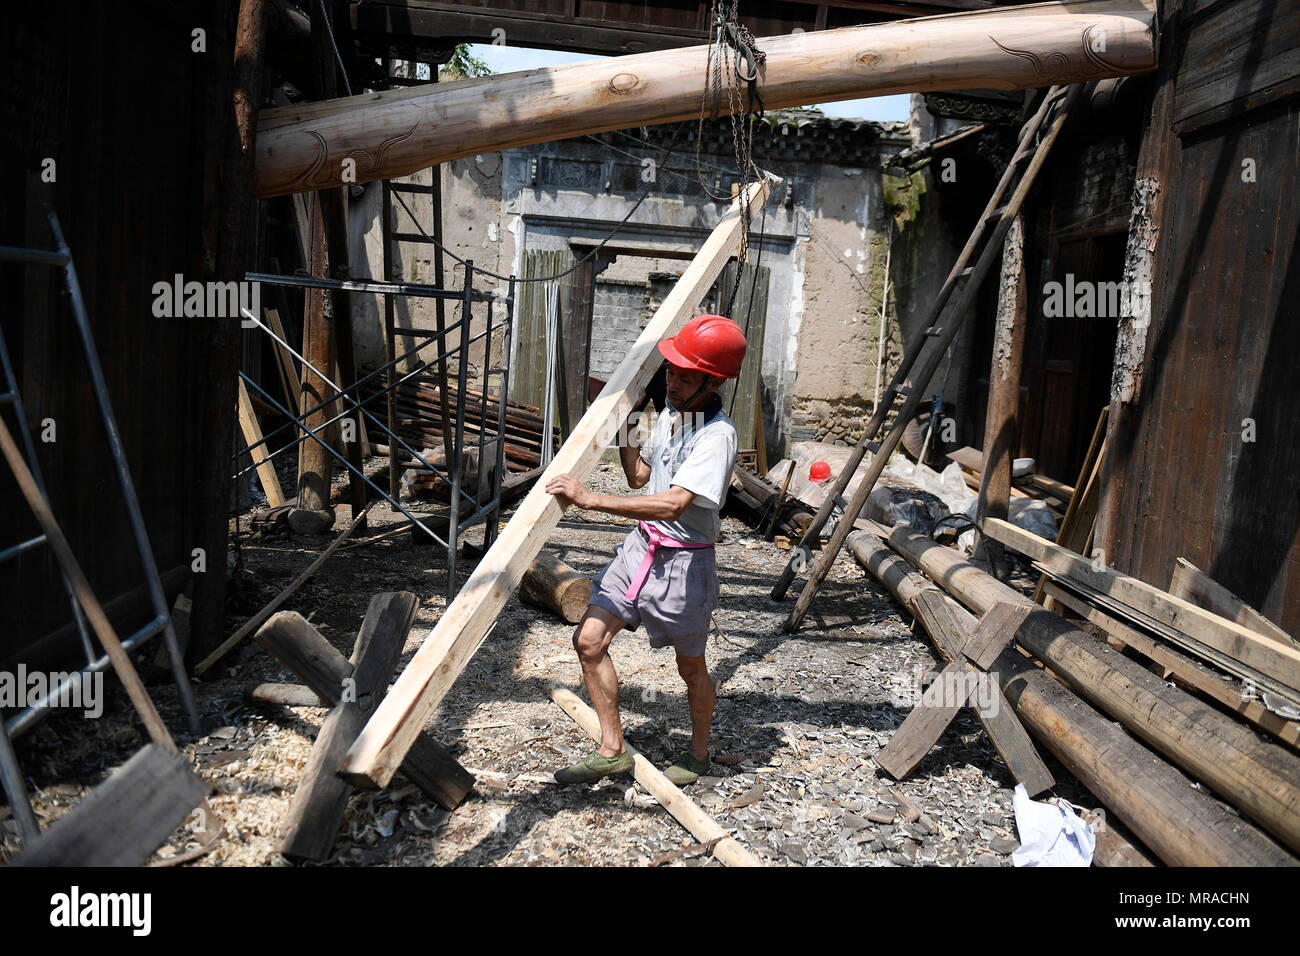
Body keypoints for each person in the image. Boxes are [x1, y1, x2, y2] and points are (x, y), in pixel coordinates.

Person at [545, 314, 746, 786]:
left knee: (689, 666)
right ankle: (612, 749)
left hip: (684, 563)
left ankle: (698, 753)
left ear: (712, 380)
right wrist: (626, 430)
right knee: (589, 640)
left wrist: (590, 498)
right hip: (641, 549)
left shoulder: (717, 437)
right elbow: (642, 479)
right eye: (670, 372)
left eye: (684, 376)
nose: (672, 383)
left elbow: (674, 504)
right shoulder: (673, 415)